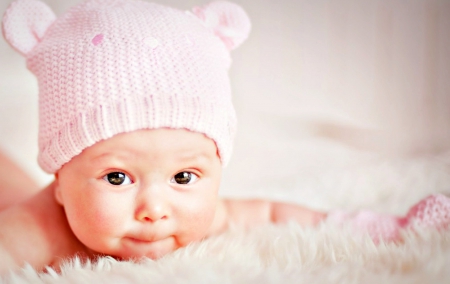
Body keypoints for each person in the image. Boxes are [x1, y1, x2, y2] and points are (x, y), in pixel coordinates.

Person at [0, 0, 449, 275]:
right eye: (117, 178)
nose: (155, 210)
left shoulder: (199, 220)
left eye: (184, 176)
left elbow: (277, 213)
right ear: (60, 181)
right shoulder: (35, 230)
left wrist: (388, 228)